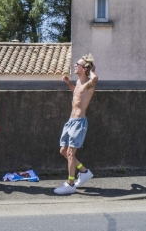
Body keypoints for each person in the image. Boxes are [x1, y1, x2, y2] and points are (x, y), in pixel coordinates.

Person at [54, 53, 98, 195]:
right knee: (63, 151)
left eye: (77, 64)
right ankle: (84, 172)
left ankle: (70, 183)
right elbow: (77, 94)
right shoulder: (79, 83)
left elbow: (95, 78)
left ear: (84, 68)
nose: (75, 66)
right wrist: (69, 84)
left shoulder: (89, 84)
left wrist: (92, 70)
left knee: (70, 154)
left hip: (79, 122)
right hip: (70, 121)